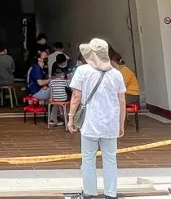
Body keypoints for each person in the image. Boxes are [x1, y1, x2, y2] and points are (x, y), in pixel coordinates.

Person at [67, 38, 127, 199]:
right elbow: (122, 101)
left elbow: (76, 96)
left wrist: (71, 117)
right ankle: (111, 193)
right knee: (110, 159)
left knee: (88, 159)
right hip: (110, 122)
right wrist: (121, 123)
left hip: (90, 123)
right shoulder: (116, 74)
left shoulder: (83, 71)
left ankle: (90, 193)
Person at [48, 61, 70, 126]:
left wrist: (51, 98)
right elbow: (68, 87)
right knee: (68, 97)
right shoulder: (64, 81)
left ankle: (58, 114)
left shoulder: (51, 82)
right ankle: (65, 116)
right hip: (63, 98)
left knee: (56, 101)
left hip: (54, 98)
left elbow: (51, 91)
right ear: (61, 74)